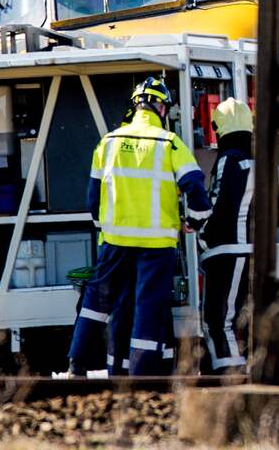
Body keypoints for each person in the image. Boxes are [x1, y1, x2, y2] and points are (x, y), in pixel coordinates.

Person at [66, 77, 211, 376]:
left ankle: (76, 363)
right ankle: (140, 376)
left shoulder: (108, 142)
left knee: (98, 300)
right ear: (161, 107)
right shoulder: (170, 143)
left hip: (115, 240)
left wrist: (103, 226)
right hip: (157, 247)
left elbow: (93, 196)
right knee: (148, 308)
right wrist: (194, 221)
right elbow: (196, 188)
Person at [185, 97, 255, 373]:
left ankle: (226, 376)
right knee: (241, 317)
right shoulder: (270, 164)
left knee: (217, 319)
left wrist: (200, 230)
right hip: (254, 251)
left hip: (226, 251)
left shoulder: (228, 161)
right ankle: (246, 371)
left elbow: (220, 204)